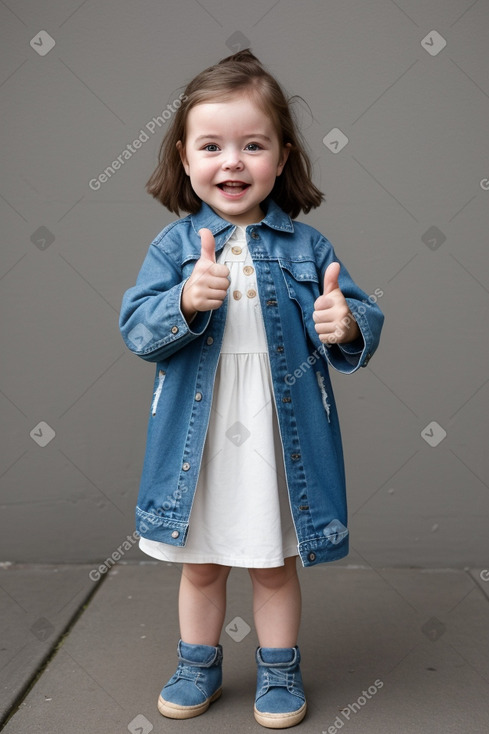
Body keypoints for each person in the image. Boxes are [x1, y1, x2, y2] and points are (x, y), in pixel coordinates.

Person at [119, 49, 384, 729]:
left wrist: (344, 320)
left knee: (271, 565)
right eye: (212, 146)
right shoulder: (174, 247)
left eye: (252, 145)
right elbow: (136, 328)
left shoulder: (306, 247)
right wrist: (183, 300)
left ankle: (277, 669)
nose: (231, 162)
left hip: (276, 431)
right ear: (184, 158)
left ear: (281, 157)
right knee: (202, 564)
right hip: (198, 436)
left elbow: (356, 314)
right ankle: (197, 663)